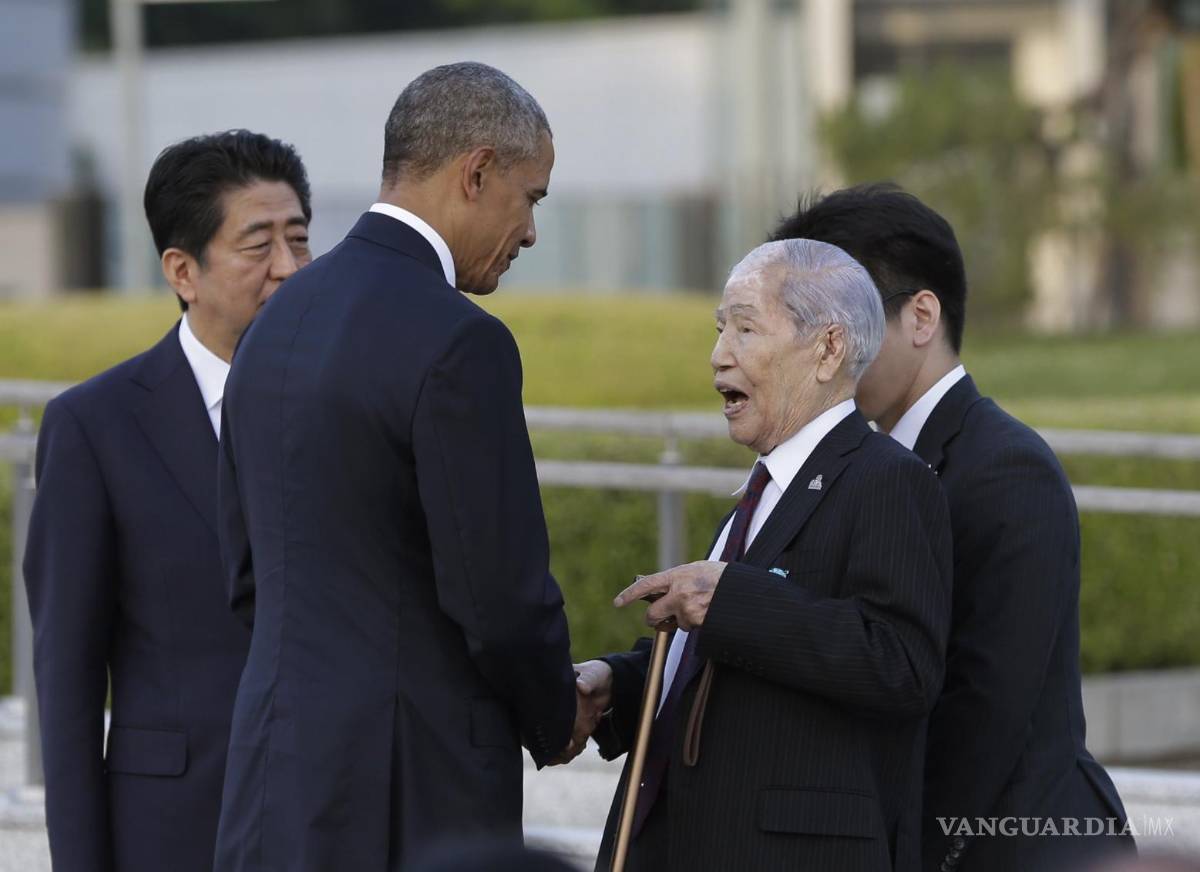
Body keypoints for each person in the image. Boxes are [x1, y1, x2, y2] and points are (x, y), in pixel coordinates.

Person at [213, 62, 593, 871]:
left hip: (272, 779)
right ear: (476, 173)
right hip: (412, 792)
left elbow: (247, 576)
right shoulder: (461, 340)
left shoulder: (273, 324)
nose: (530, 232)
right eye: (530, 198)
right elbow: (498, 598)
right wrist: (556, 712)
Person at [771, 183, 1133, 872]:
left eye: (842, 320)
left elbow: (987, 709)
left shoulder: (1006, 467)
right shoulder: (848, 464)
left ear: (921, 316)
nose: (825, 349)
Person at [575, 238, 954, 871]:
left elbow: (903, 663)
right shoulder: (764, 489)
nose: (719, 355)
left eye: (745, 329)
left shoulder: (887, 478)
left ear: (828, 349)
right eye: (720, 329)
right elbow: (723, 670)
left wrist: (728, 598)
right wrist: (619, 683)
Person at [23, 130, 312, 872]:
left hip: (330, 822)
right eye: (259, 246)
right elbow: (68, 681)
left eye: (299, 239)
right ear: (183, 271)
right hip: (174, 829)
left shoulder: (348, 405)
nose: (288, 268)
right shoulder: (95, 426)